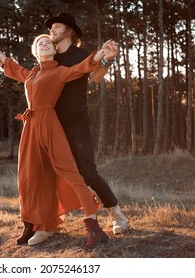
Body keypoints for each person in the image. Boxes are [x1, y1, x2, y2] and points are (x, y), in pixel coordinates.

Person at [0, 34, 109, 250]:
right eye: (39, 43)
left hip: (49, 124)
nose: (43, 44)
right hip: (30, 125)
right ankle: (36, 224)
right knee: (29, 176)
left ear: (54, 50)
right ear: (35, 51)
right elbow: (17, 70)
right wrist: (2, 59)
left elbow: (80, 68)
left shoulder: (59, 71)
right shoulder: (32, 74)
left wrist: (100, 54)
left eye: (47, 43)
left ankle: (95, 229)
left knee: (69, 173)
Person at [45, 13, 128, 235]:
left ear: (70, 31)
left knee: (88, 173)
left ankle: (117, 215)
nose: (51, 30)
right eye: (51, 28)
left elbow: (96, 77)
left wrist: (108, 59)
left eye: (57, 27)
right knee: (48, 172)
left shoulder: (82, 54)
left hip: (75, 123)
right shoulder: (49, 56)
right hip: (51, 124)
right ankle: (48, 221)